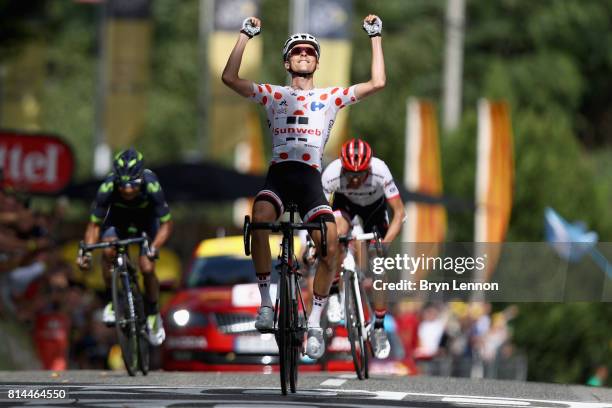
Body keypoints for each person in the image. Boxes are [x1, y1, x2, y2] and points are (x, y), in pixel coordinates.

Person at [222, 14, 385, 359]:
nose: (304, 55)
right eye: (297, 52)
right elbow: (229, 78)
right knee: (261, 217)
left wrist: (375, 36)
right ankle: (266, 304)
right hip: (280, 175)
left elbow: (378, 83)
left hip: (310, 178)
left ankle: (314, 321)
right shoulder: (273, 94)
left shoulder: (330, 97)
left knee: (330, 247)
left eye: (310, 52)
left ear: (317, 62)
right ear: (287, 61)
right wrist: (244, 36)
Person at [76, 148, 173, 346]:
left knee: (147, 267)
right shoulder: (107, 187)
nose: (128, 189)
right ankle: (112, 301)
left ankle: (153, 313)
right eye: (123, 185)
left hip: (147, 223)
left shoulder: (152, 185)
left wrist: (154, 246)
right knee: (108, 251)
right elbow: (94, 224)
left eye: (133, 184)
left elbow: (167, 224)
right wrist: (86, 251)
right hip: (118, 222)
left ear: (140, 178)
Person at [321, 138, 405, 358]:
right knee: (336, 235)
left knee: (378, 265)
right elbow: (318, 216)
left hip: (375, 211)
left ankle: (378, 326)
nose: (356, 179)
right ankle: (334, 292)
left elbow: (399, 214)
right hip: (345, 205)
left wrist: (384, 244)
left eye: (361, 174)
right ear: (342, 168)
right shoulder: (331, 173)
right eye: (350, 174)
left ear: (369, 168)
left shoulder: (380, 170)